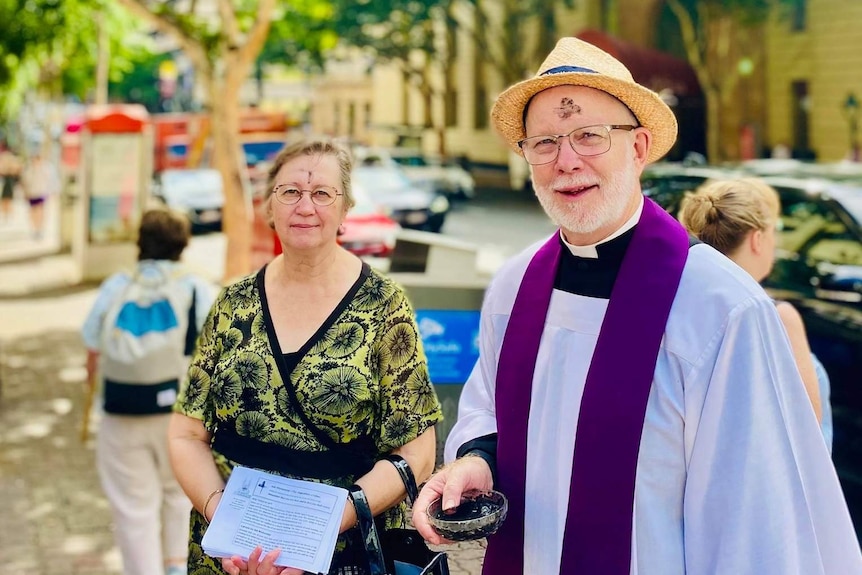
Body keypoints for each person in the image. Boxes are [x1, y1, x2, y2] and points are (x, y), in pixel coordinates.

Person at [412, 37, 862, 574]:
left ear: (640, 147)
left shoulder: (719, 307)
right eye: (545, 142)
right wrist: (476, 459)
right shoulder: (514, 286)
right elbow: (487, 402)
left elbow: (755, 514)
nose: (566, 160)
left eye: (590, 136)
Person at [168, 136, 443, 575]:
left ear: (344, 209)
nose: (305, 206)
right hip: (230, 552)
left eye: (322, 194)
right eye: (291, 192)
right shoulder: (234, 303)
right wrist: (221, 516)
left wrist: (317, 530)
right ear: (269, 205)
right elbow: (187, 434)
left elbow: (417, 451)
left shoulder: (383, 305)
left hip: (342, 552)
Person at [81, 208, 217, 575]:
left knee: (132, 506)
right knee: (180, 494)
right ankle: (176, 566)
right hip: (181, 414)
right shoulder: (196, 286)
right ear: (182, 244)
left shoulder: (117, 284)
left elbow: (92, 344)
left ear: (140, 242)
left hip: (121, 409)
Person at [678, 177, 833, 451]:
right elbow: (807, 431)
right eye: (777, 229)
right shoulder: (778, 316)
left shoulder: (682, 307)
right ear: (758, 239)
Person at [21, 151, 61, 238]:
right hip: (31, 193)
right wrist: (25, 192)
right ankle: (35, 228)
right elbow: (24, 181)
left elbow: (52, 181)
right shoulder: (28, 169)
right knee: (33, 211)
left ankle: (39, 229)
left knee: (40, 210)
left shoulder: (47, 168)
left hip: (42, 193)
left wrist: (53, 191)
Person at [0, 142, 22, 222]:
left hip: (8, 179)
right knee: (6, 197)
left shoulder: (8, 157)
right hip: (6, 179)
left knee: (6, 197)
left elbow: (18, 169)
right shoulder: (9, 158)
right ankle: (6, 213)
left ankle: (7, 214)